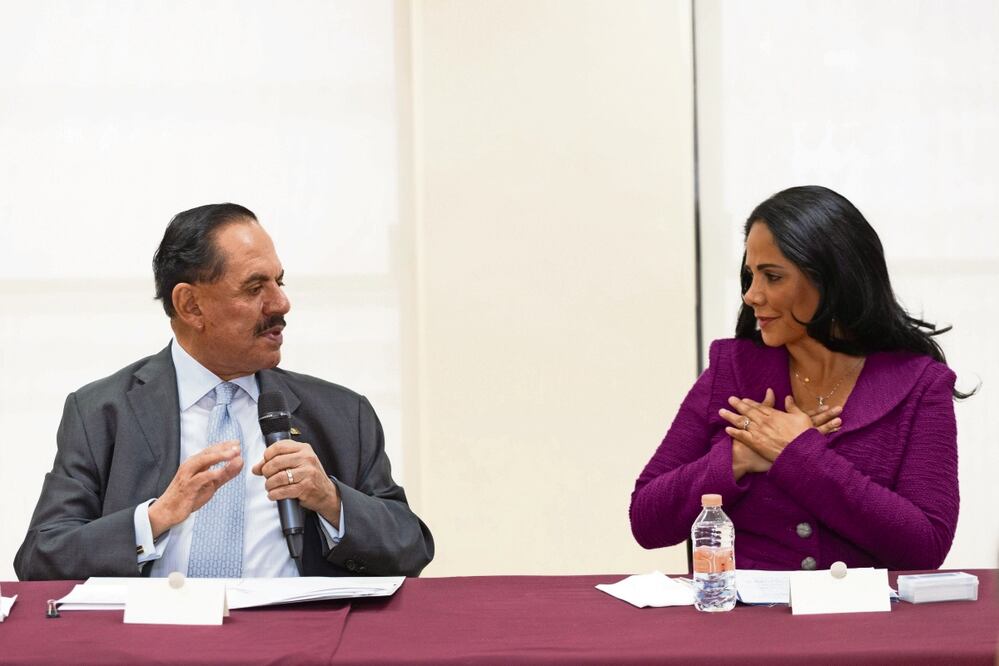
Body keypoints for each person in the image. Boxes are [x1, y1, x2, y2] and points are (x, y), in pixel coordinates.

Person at [15, 203, 433, 580]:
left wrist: (331, 501)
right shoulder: (101, 412)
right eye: (255, 288)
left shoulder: (343, 413)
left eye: (279, 281)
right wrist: (157, 517)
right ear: (191, 306)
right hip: (155, 644)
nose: (281, 304)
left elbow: (410, 548)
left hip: (292, 645)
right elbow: (41, 557)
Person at [630, 185, 967, 572]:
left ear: (832, 279)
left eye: (772, 277)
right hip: (740, 626)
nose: (752, 295)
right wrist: (737, 457)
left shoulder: (920, 386)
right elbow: (646, 520)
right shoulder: (731, 369)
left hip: (863, 627)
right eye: (750, 276)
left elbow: (926, 546)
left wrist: (797, 454)